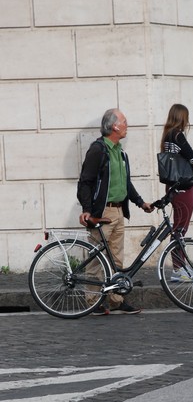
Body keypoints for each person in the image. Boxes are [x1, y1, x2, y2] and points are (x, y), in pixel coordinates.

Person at [77, 108, 153, 315]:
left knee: (116, 260)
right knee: (95, 261)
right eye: (125, 122)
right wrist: (86, 210)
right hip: (103, 213)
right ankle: (93, 302)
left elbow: (126, 184)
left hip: (119, 212)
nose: (127, 125)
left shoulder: (120, 152)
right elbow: (85, 182)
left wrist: (140, 202)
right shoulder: (98, 150)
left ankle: (117, 300)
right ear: (114, 126)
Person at [160, 104, 193, 281]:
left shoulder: (167, 135)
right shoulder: (178, 135)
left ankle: (181, 266)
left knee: (178, 226)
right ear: (182, 118)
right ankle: (178, 269)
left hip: (172, 185)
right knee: (180, 228)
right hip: (183, 187)